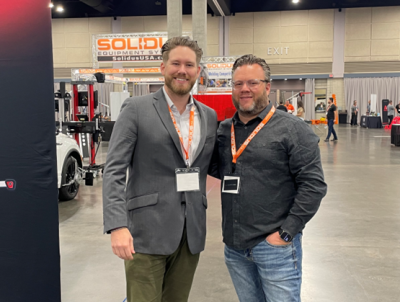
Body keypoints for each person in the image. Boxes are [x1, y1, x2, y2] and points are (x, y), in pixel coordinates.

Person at [102, 36, 218, 302]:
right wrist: (117, 225)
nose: (182, 70)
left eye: (189, 65)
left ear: (198, 71)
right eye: (175, 63)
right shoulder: (136, 109)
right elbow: (115, 169)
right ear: (163, 67)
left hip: (191, 234)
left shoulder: (208, 115)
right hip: (145, 232)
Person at [211, 54, 327, 302]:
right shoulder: (223, 130)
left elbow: (313, 186)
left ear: (267, 86)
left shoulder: (293, 129)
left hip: (275, 247)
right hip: (234, 246)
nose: (245, 89)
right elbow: (215, 168)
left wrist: (286, 233)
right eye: (238, 83)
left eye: (253, 82)